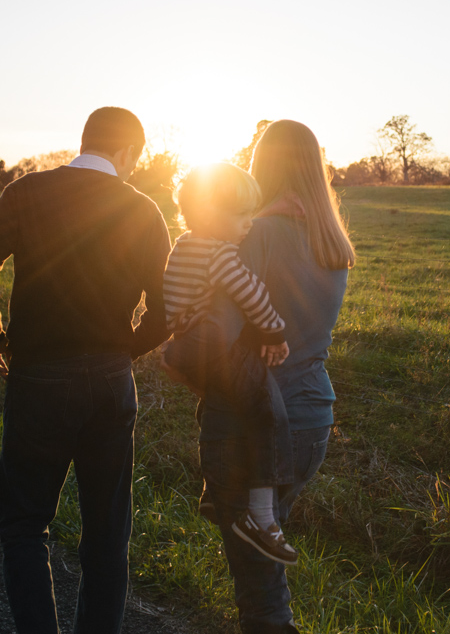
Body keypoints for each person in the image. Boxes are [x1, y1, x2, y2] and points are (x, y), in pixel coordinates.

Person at [0, 107, 171, 634]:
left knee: (26, 525)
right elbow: (169, 309)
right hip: (110, 381)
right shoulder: (143, 209)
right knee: (106, 535)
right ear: (128, 153)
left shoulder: (28, 192)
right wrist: (124, 349)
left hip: (39, 375)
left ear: (86, 141)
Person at [161, 120, 355, 634]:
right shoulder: (331, 241)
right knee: (261, 560)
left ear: (258, 168)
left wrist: (170, 354)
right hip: (313, 418)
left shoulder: (250, 236)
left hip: (247, 425)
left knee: (260, 598)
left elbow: (211, 341)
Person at [161, 163, 296, 566]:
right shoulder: (219, 253)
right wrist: (274, 331)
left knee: (225, 400)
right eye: (240, 215)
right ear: (209, 214)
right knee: (268, 413)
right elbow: (250, 292)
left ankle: (211, 493)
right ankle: (262, 518)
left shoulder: (184, 245)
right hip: (210, 346)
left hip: (185, 345)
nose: (249, 224)